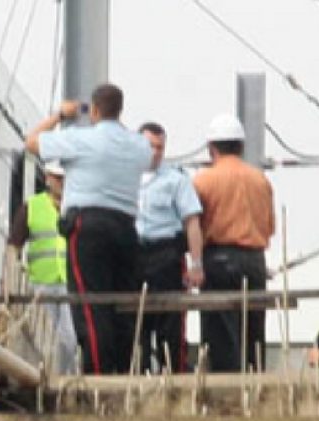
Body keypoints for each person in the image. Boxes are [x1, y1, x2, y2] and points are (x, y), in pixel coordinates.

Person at [25, 83, 152, 374]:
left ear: (93, 110)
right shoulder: (138, 145)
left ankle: (99, 374)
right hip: (125, 228)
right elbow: (146, 160)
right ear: (120, 109)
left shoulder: (81, 139)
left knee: (90, 306)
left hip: (88, 227)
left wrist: (61, 114)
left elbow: (32, 141)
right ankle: (123, 372)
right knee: (122, 305)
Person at [193, 114, 275, 373]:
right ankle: (254, 384)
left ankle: (226, 390)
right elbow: (269, 226)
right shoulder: (259, 179)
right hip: (254, 260)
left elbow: (194, 225)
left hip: (218, 258)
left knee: (220, 333)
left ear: (211, 147)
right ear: (240, 146)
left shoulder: (203, 180)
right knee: (253, 329)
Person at [135, 122, 205, 373]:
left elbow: (192, 223)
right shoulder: (124, 178)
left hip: (165, 256)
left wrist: (196, 264)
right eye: (149, 146)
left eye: (160, 147)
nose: (155, 152)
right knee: (135, 323)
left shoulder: (176, 180)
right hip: (134, 257)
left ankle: (174, 377)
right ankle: (138, 376)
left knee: (171, 325)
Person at [4, 161, 78, 374]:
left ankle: (65, 383)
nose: (62, 182)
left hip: (70, 284)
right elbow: (13, 247)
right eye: (58, 178)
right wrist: (9, 281)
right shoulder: (32, 207)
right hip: (41, 284)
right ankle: (46, 380)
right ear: (48, 178)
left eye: (65, 178)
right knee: (42, 338)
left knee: (70, 339)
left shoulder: (77, 208)